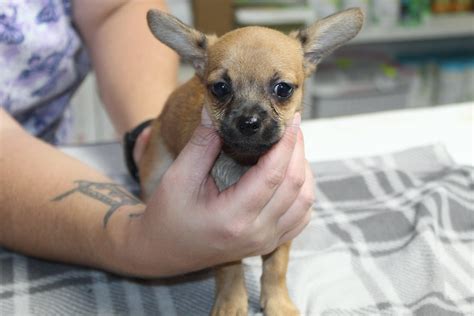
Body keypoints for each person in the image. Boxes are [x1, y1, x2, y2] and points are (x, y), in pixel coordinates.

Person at [0, 0, 314, 277]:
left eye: (281, 91)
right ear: (199, 64)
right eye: (221, 89)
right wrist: (133, 236)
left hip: (53, 147)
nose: (250, 119)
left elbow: (117, 7)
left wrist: (145, 138)